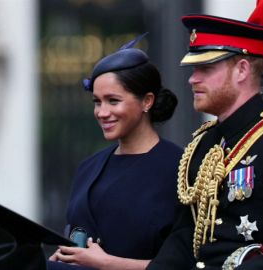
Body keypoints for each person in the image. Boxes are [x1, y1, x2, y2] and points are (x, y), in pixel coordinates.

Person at [146, 14, 263, 270]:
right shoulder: (203, 143)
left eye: (206, 69)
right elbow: (183, 238)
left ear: (242, 70)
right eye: (194, 69)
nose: (192, 79)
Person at [47, 34, 183, 270]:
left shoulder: (180, 168)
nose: (102, 112)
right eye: (97, 102)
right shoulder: (89, 166)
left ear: (147, 101)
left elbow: (183, 263)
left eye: (113, 100)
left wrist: (107, 263)